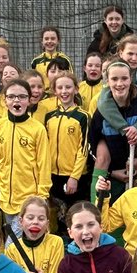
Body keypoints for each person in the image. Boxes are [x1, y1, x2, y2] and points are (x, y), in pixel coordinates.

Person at [87, 60, 137, 203]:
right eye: (114, 79)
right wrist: (112, 172)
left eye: (124, 78)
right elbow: (92, 148)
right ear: (107, 82)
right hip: (113, 174)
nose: (119, 84)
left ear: (131, 79)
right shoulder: (101, 114)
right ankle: (95, 210)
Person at [0, 80, 51, 228]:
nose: (16, 100)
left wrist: (41, 197)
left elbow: (44, 165)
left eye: (22, 96)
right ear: (5, 101)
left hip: (29, 200)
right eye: (11, 97)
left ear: (29, 100)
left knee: (16, 245)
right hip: (5, 200)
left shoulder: (38, 129)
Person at [45, 72, 90, 209]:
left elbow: (84, 149)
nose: (64, 91)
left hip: (74, 176)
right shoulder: (49, 117)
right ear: (55, 90)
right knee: (57, 215)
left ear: (76, 89)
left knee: (73, 214)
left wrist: (74, 177)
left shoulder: (83, 117)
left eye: (68, 87)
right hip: (53, 175)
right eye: (60, 88)